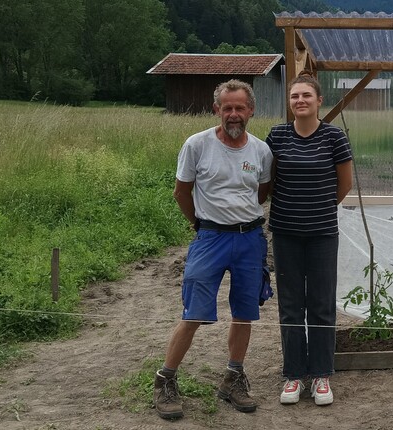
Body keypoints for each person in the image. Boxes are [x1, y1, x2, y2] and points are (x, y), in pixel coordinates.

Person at [153, 79, 273, 420]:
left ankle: (233, 378)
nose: (233, 114)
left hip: (249, 240)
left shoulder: (261, 151)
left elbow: (261, 193)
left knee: (245, 312)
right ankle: (165, 380)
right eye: (227, 107)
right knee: (194, 312)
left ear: (251, 111)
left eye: (240, 108)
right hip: (210, 239)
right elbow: (181, 192)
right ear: (216, 109)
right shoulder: (197, 145)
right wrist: (201, 225)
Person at [267, 74, 354, 406]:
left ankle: (320, 375)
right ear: (289, 103)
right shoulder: (277, 135)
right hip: (286, 233)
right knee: (290, 304)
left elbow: (343, 185)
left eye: (306, 95)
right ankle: (293, 376)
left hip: (321, 234)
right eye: (294, 96)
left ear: (319, 101)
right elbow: (269, 179)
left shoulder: (333, 137)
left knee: (320, 304)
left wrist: (315, 206)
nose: (299, 100)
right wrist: (293, 206)